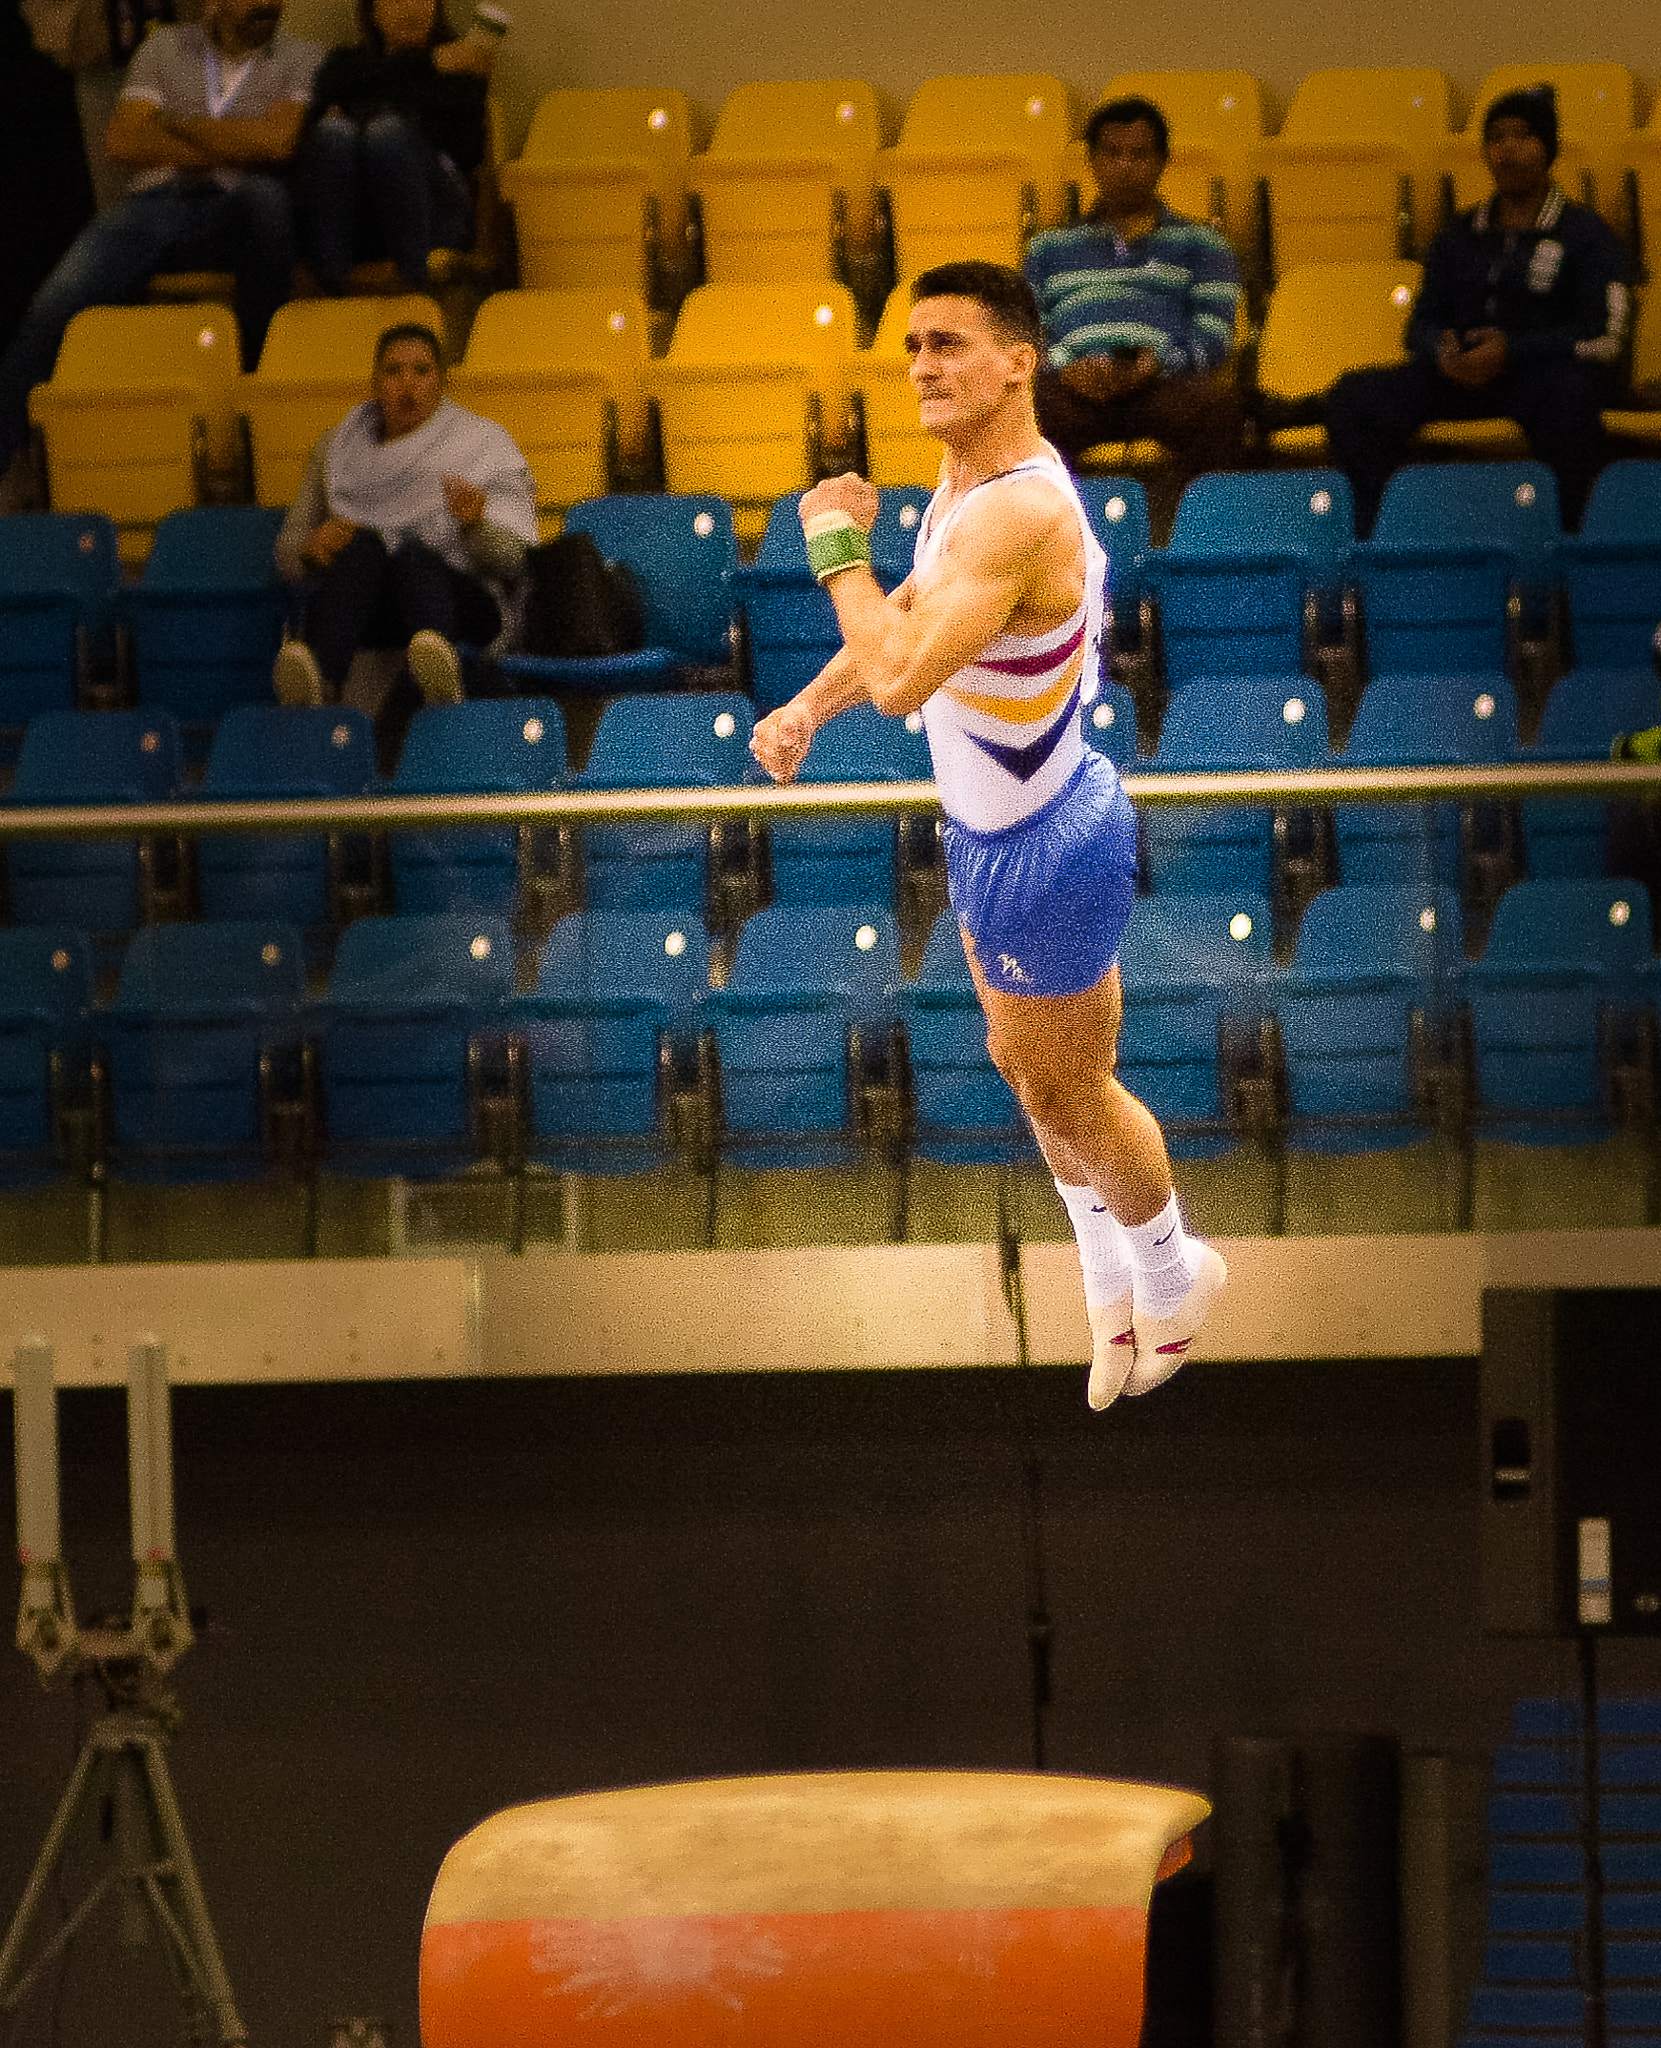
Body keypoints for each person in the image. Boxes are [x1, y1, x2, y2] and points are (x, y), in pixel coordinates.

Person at [750, 260, 1227, 1412]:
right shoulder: (960, 484)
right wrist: (810, 705)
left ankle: (1174, 1265)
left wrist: (828, 544)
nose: (921, 366)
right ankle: (1105, 1272)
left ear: (1019, 361)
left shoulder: (1019, 506)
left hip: (1046, 840)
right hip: (985, 830)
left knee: (1072, 1090)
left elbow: (906, 677)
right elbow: (910, 618)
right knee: (1028, 1073)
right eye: (912, 346)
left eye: (949, 343)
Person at [0, 0, 320, 477]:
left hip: (243, 208)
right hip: (160, 204)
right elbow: (125, 142)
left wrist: (174, 122)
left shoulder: (304, 56)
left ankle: (256, 385)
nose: (267, 5)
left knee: (266, 199)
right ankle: (10, 455)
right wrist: (233, 144)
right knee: (55, 304)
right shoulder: (163, 46)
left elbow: (278, 143)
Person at [1326, 85, 1630, 537]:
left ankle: (1564, 546)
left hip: (1541, 377)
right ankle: (1382, 538)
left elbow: (1606, 336)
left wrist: (1514, 350)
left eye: (1523, 136)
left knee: (1573, 402)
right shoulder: (1459, 234)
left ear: (1548, 149)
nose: (1507, 149)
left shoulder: (1586, 234)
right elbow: (1421, 322)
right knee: (1352, 398)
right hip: (1459, 376)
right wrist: (1441, 347)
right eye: (1496, 139)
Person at [272, 320, 536, 715]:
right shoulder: (337, 450)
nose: (407, 384)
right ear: (375, 382)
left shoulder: (480, 444)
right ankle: (320, 685)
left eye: (421, 371)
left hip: (464, 605)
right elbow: (287, 554)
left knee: (413, 558)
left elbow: (515, 561)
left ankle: (439, 675)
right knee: (364, 545)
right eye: (393, 371)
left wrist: (474, 526)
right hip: (371, 609)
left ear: (441, 381)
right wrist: (311, 550)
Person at [1021, 95, 1244, 528]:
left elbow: (1215, 338)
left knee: (1221, 406)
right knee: (1015, 409)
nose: (1125, 166)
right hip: (1071, 389)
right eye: (1113, 153)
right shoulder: (1048, 248)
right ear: (1092, 161)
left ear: (1162, 162)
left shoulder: (1203, 245)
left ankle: (1189, 539)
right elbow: (1027, 334)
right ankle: (1052, 543)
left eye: (1139, 154)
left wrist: (1152, 364)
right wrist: (1067, 368)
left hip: (1160, 385)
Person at [298, 0, 498, 296]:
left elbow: (466, 150)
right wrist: (428, 66)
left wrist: (376, 106)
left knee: (386, 134)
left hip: (437, 214)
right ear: (373, 12)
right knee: (332, 133)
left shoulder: (463, 64)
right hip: (363, 219)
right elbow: (318, 121)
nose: (410, 9)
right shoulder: (346, 64)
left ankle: (413, 282)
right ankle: (331, 285)